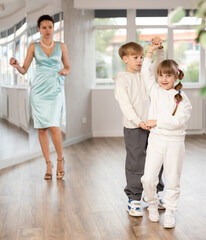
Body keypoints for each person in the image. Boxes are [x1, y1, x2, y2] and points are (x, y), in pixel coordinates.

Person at [10, 15, 70, 180]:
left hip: (55, 89)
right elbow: (24, 70)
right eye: (44, 27)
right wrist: (16, 66)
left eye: (50, 27)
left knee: (54, 127)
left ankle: (59, 160)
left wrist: (65, 71)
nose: (47, 30)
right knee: (42, 128)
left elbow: (67, 66)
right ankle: (48, 163)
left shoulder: (61, 46)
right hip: (39, 90)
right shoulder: (33, 47)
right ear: (38, 29)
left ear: (53, 28)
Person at [141, 43, 192, 228]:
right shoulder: (154, 91)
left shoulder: (182, 98)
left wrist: (157, 122)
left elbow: (179, 121)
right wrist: (150, 52)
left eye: (168, 75)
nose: (163, 79)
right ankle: (152, 204)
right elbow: (145, 74)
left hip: (175, 143)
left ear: (175, 76)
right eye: (161, 75)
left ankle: (170, 210)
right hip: (156, 141)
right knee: (148, 178)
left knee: (172, 179)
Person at [113, 38, 165, 217]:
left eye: (141, 57)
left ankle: (154, 195)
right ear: (125, 59)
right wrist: (138, 121)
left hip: (152, 126)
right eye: (135, 57)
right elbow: (126, 105)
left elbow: (158, 65)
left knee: (157, 160)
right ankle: (134, 199)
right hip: (134, 127)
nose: (140, 60)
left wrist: (159, 49)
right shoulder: (122, 80)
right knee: (136, 162)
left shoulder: (144, 74)